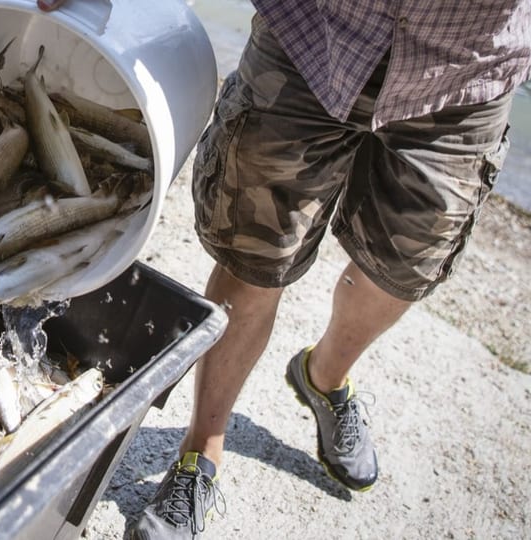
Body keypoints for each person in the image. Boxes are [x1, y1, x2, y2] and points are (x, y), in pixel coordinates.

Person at [39, 0, 529, 537]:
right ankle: (203, 449)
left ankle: (324, 377)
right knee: (252, 257)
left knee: (401, 271)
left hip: (465, 72)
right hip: (316, 32)